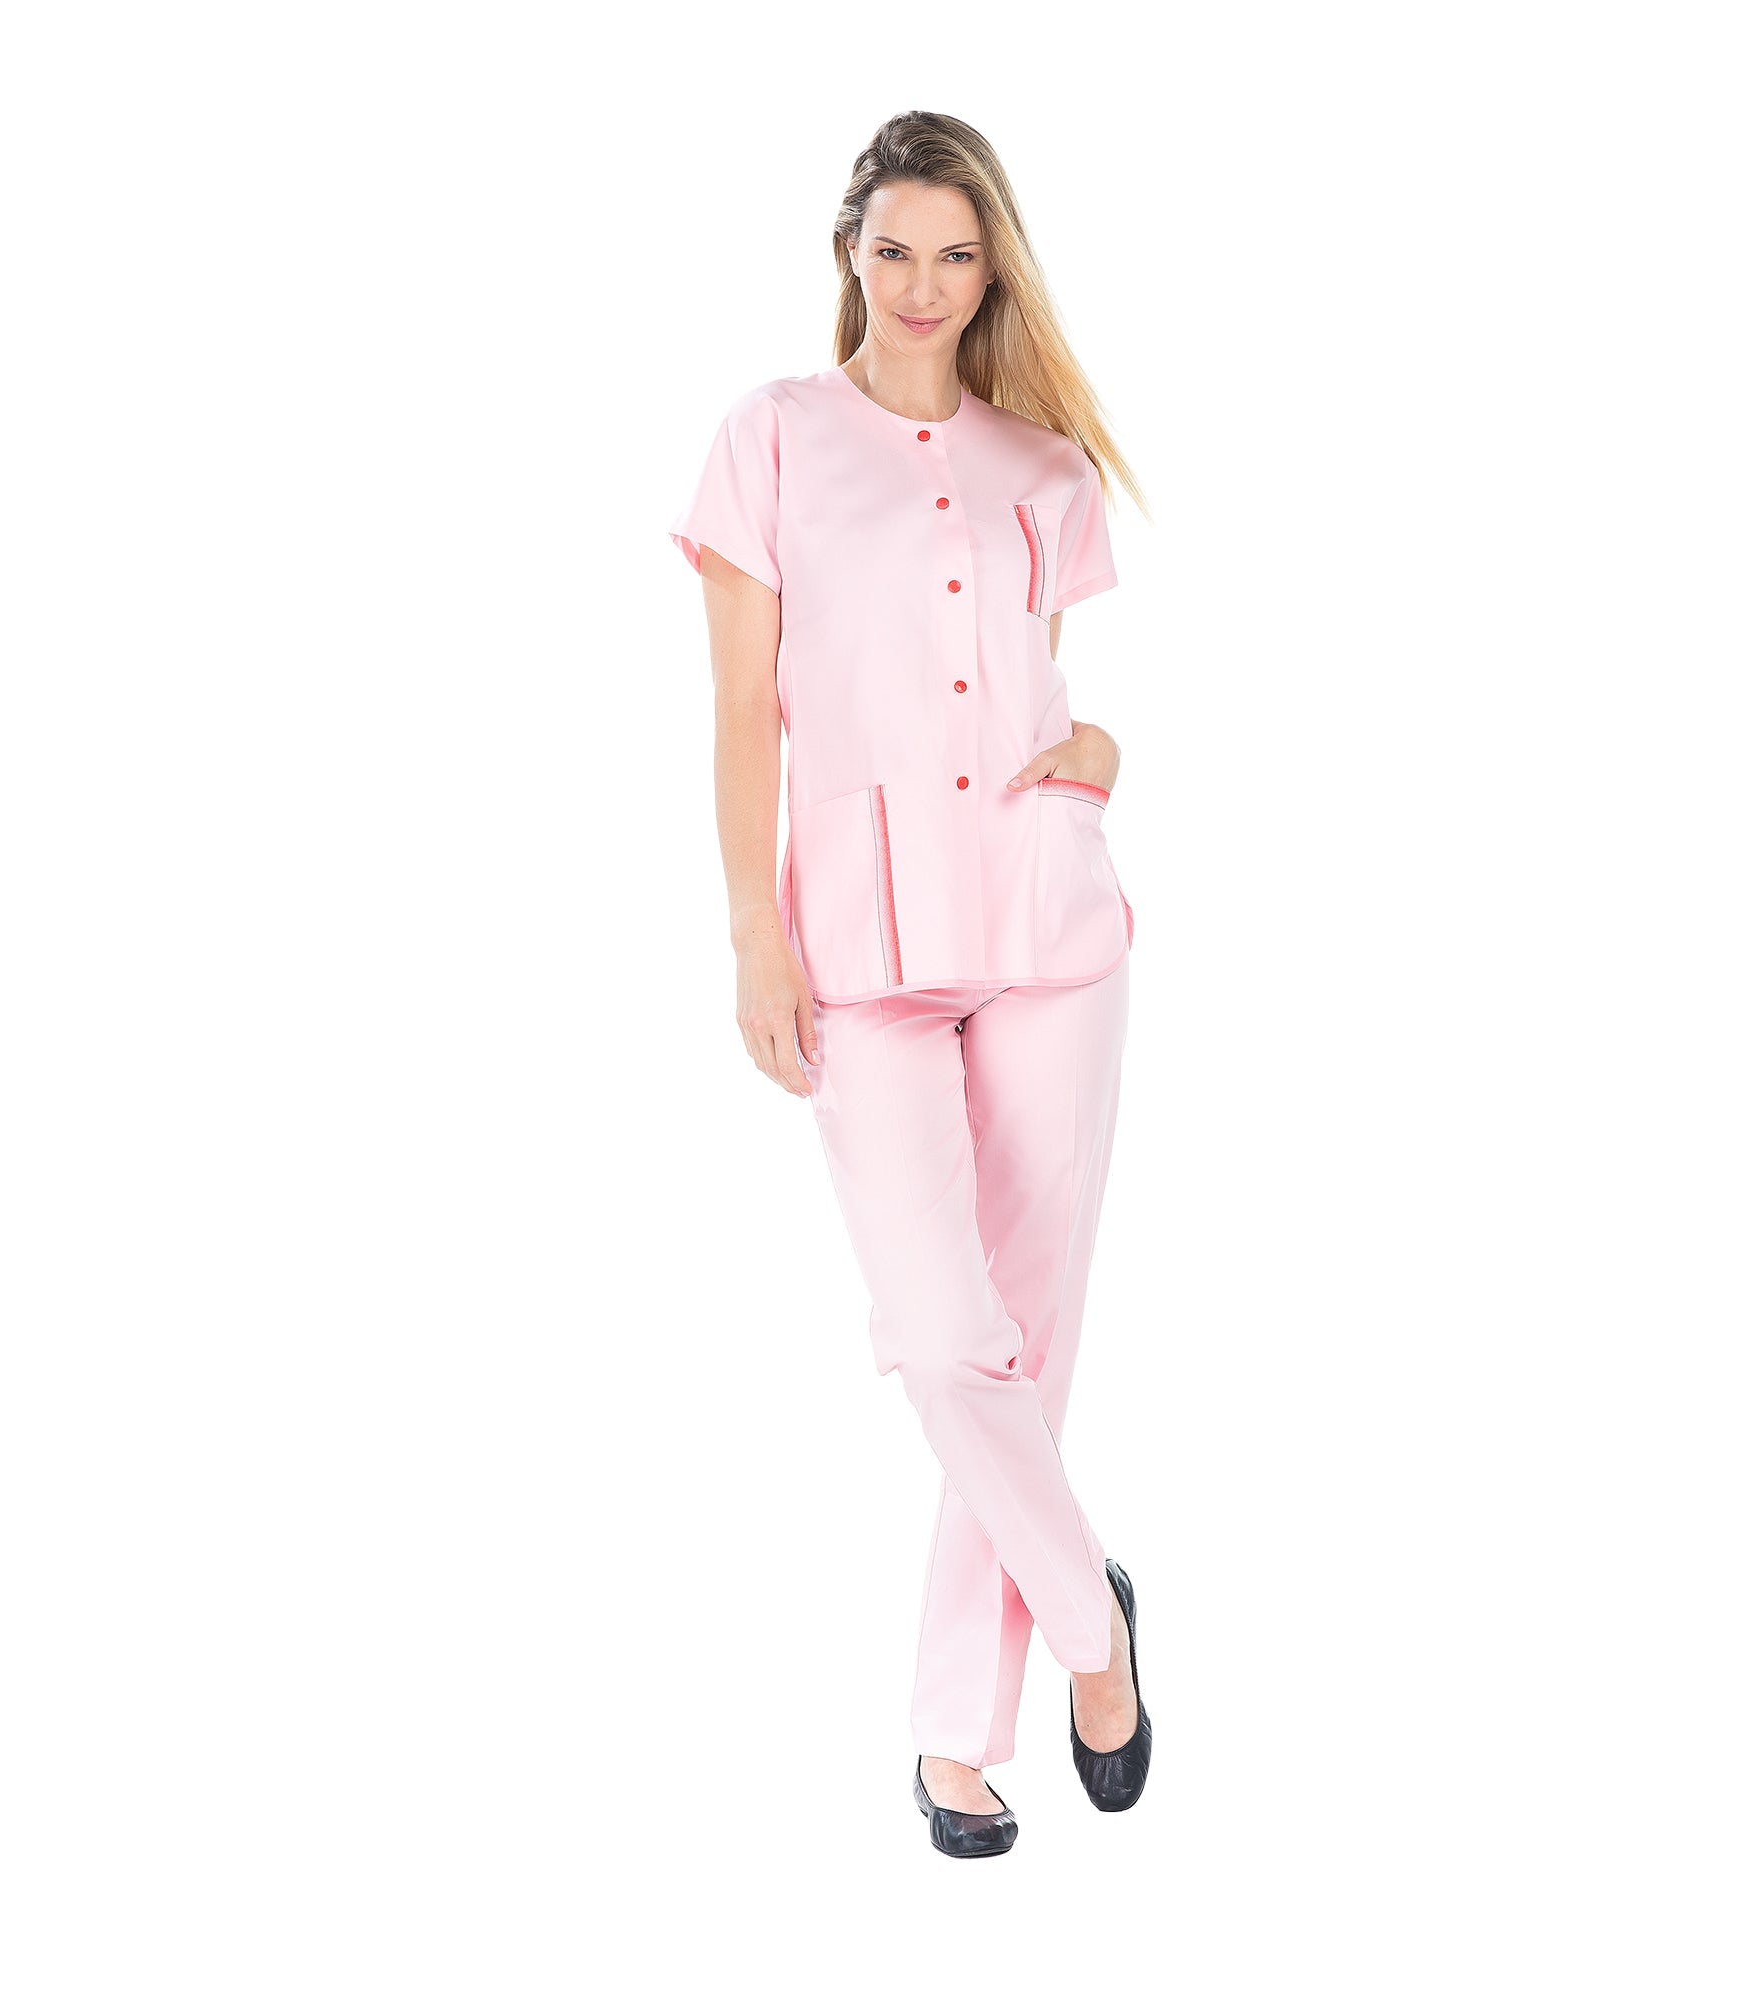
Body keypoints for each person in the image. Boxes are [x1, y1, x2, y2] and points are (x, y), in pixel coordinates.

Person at [667, 109, 1153, 1859]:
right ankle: (1092, 1621)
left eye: (957, 255)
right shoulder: (771, 439)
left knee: (1030, 1339)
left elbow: (1038, 690)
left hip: (1047, 929)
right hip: (860, 947)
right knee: (947, 1342)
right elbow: (743, 710)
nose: (925, 286)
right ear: (849, 254)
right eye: (894, 251)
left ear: (992, 267)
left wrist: (1103, 757)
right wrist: (754, 930)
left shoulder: (1045, 467)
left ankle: (956, 1737)